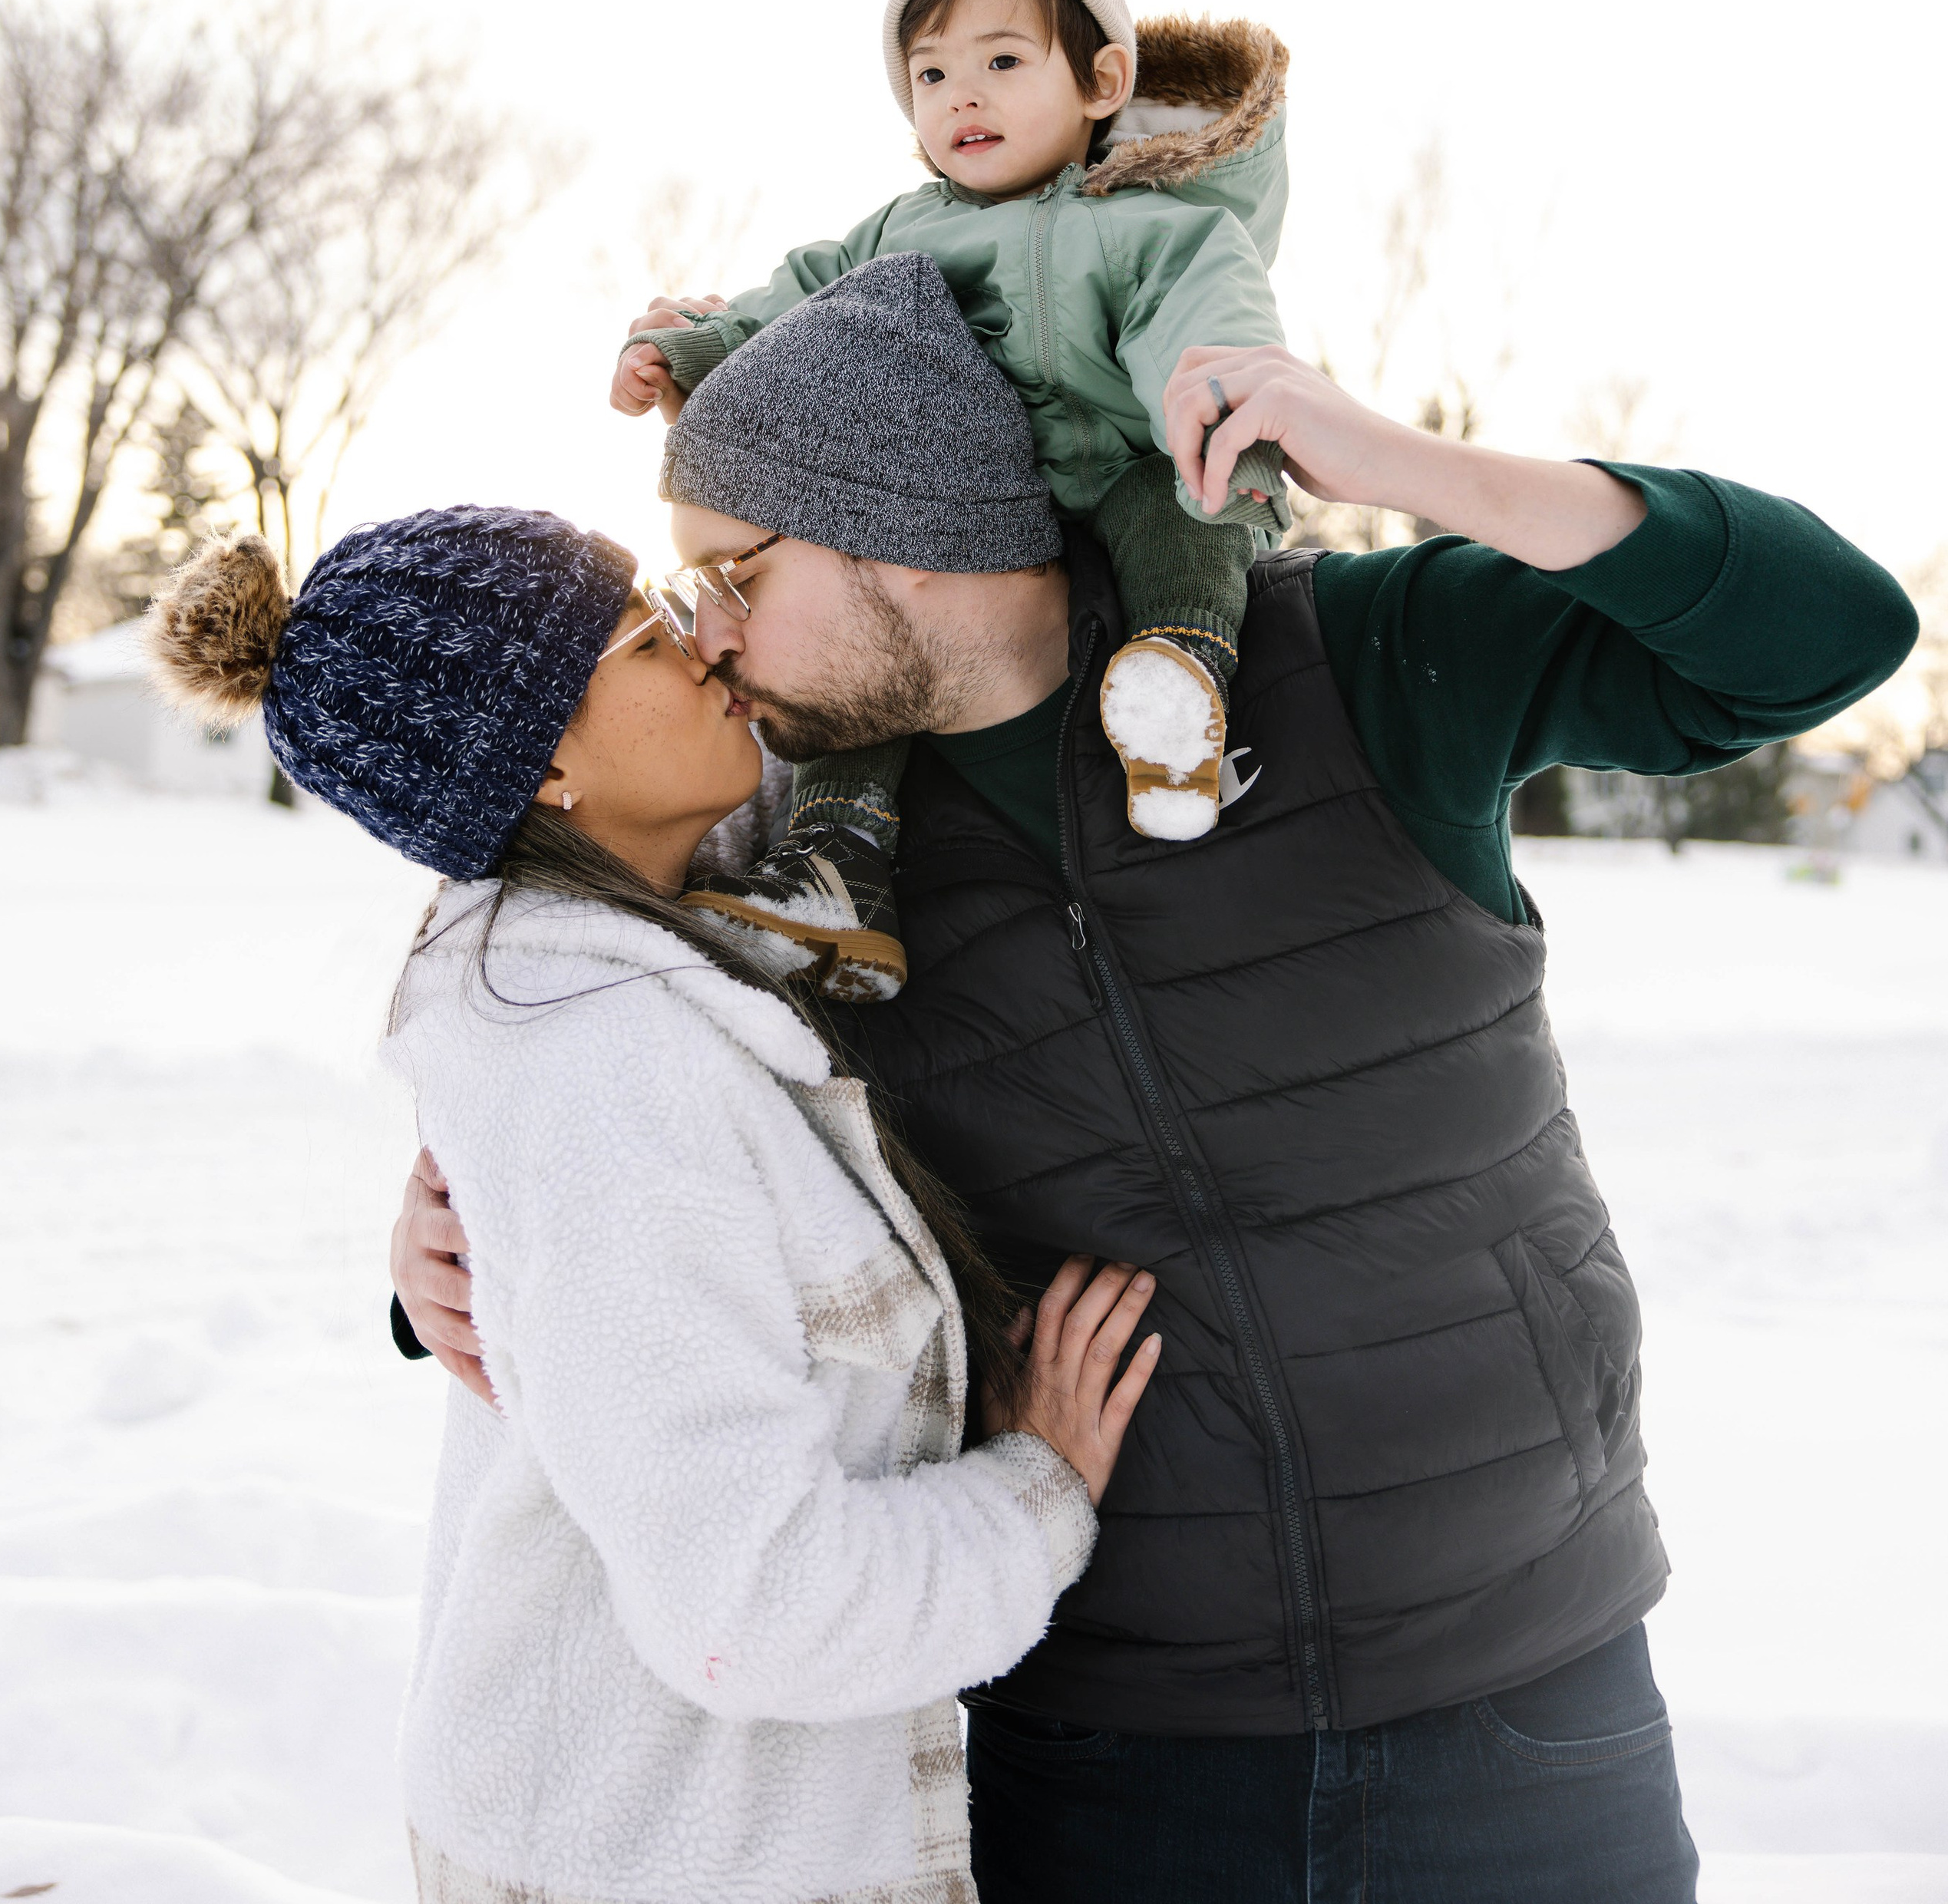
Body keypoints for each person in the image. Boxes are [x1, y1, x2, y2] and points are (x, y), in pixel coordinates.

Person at [396, 263, 1917, 1902]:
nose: (710, 634)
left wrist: (1391, 458)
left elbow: (1830, 634)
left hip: (1525, 1700)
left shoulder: (1345, 662)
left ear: (896, 526)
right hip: (1108, 1753)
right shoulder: (806, 857)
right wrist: (432, 1242)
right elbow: (579, 1049)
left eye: (733, 574)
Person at [147, 502, 1161, 1904]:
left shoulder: (632, 950)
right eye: (643, 635)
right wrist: (1036, 1495)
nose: (702, 645)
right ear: (546, 760)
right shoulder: (603, 1070)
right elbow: (755, 1606)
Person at [610, 0, 1293, 922]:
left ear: (1104, 80)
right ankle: (839, 858)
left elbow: (1203, 311)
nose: (961, 97)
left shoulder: (1150, 218)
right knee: (855, 638)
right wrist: (691, 346)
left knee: (1187, 514)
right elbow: (800, 299)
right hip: (973, 503)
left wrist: (1209, 395)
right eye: (932, 75)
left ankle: (1179, 680)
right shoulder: (904, 229)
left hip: (1127, 457)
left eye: (1003, 63)